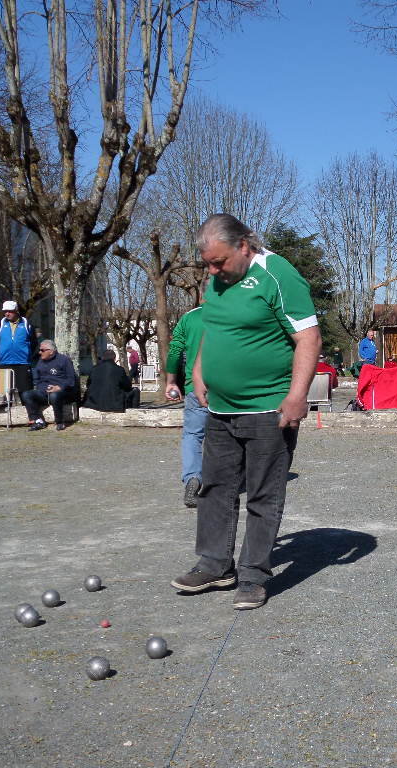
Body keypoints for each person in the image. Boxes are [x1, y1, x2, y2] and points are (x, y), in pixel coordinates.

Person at [171, 213, 321, 611]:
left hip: (268, 407)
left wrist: (297, 396)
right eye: (207, 264)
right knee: (215, 488)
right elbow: (214, 328)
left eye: (218, 262)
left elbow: (308, 337)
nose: (212, 271)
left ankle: (253, 576)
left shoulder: (277, 274)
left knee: (263, 494)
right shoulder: (218, 281)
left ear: (243, 245)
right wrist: (199, 370)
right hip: (221, 408)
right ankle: (215, 565)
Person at [165, 304, 206, 508]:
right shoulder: (236, 311)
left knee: (192, 435)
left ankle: (193, 478)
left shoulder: (189, 318)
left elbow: (175, 351)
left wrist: (171, 381)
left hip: (195, 386)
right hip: (229, 387)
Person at [22, 339, 77, 431]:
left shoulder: (64, 360)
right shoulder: (40, 361)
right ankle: (38, 421)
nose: (40, 352)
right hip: (44, 392)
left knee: (54, 395)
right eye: (39, 350)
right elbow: (37, 379)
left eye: (42, 350)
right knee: (26, 394)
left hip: (62, 392)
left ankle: (59, 422)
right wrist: (40, 388)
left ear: (51, 351)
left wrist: (59, 387)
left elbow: (71, 380)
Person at [0, 300, 37, 399]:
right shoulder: (0, 324)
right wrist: (0, 354)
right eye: (5, 311)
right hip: (4, 362)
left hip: (22, 363)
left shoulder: (27, 324)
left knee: (25, 393)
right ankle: (6, 409)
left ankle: (28, 408)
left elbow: (34, 342)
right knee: (4, 394)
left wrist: (27, 354)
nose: (7, 314)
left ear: (16, 311)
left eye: (10, 311)